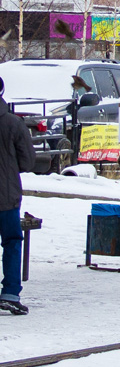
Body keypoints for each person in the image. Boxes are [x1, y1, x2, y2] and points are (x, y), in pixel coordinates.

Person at [1, 76, 36, 315]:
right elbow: (28, 160)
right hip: (6, 195)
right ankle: (10, 293)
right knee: (12, 242)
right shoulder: (13, 124)